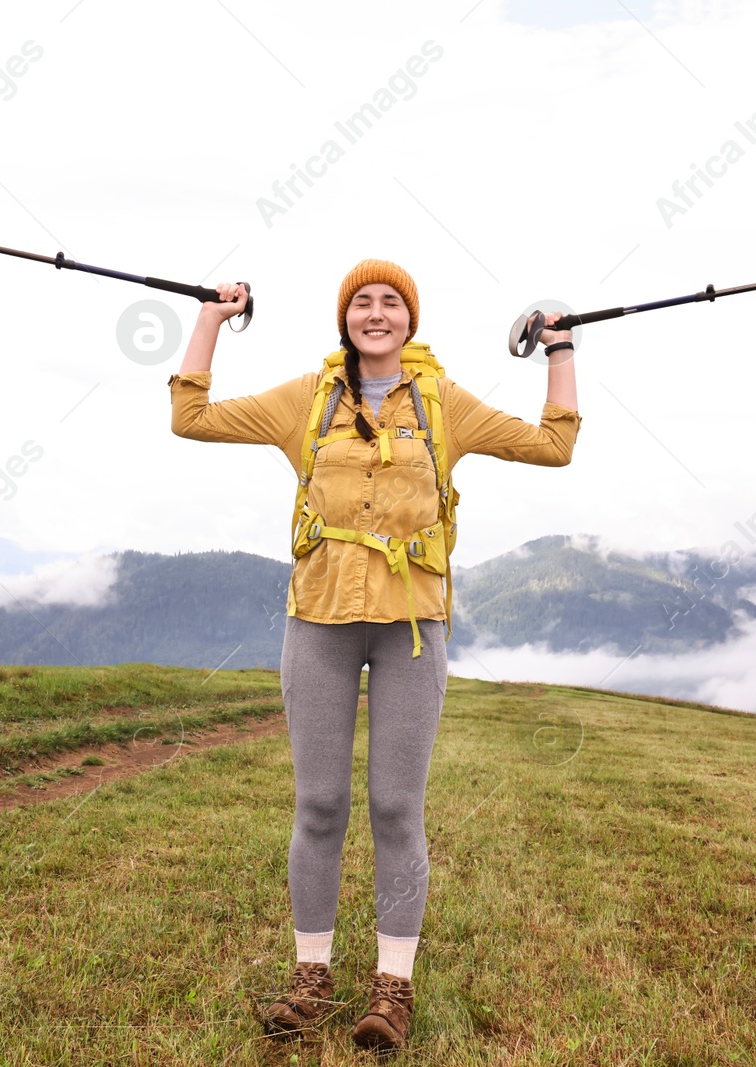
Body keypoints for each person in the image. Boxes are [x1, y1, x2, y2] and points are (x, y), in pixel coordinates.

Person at [168, 259, 580, 1051]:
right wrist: (213, 319)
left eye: (392, 301)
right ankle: (310, 978)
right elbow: (193, 417)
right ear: (344, 318)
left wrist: (559, 351)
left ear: (411, 319)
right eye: (363, 301)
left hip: (412, 627)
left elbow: (553, 445)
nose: (377, 312)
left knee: (396, 807)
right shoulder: (308, 399)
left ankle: (393, 988)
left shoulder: (442, 403)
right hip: (318, 619)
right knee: (318, 805)